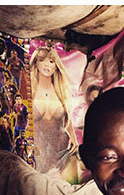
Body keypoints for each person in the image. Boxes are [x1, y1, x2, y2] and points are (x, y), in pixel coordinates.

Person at [29, 46, 80, 183]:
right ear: (36, 63)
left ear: (56, 66)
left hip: (63, 151)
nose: (47, 64)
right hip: (37, 154)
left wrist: (74, 140)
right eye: (42, 60)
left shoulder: (62, 91)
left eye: (51, 61)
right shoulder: (28, 90)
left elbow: (67, 118)